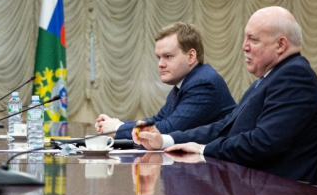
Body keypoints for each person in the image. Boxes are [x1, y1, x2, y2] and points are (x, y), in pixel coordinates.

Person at [134, 7, 317, 183]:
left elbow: (263, 142)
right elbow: (225, 127)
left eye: (253, 40)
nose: (244, 46)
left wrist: (204, 150)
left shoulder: (294, 76)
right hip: (256, 189)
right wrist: (167, 140)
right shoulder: (271, 78)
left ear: (280, 45)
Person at [96, 22, 236, 139]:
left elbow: (168, 129)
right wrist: (119, 124)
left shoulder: (203, 84)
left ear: (191, 56)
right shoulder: (184, 84)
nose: (160, 64)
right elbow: (158, 120)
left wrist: (118, 128)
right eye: (159, 57)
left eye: (168, 56)